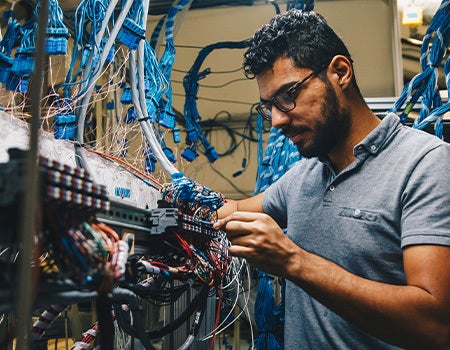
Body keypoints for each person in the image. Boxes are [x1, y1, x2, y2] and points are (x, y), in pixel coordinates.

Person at [213, 9, 450, 349]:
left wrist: (293, 262)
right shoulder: (304, 177)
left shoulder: (424, 165)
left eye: (288, 94)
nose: (277, 119)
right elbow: (230, 210)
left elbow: (435, 325)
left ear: (340, 72)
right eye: (269, 105)